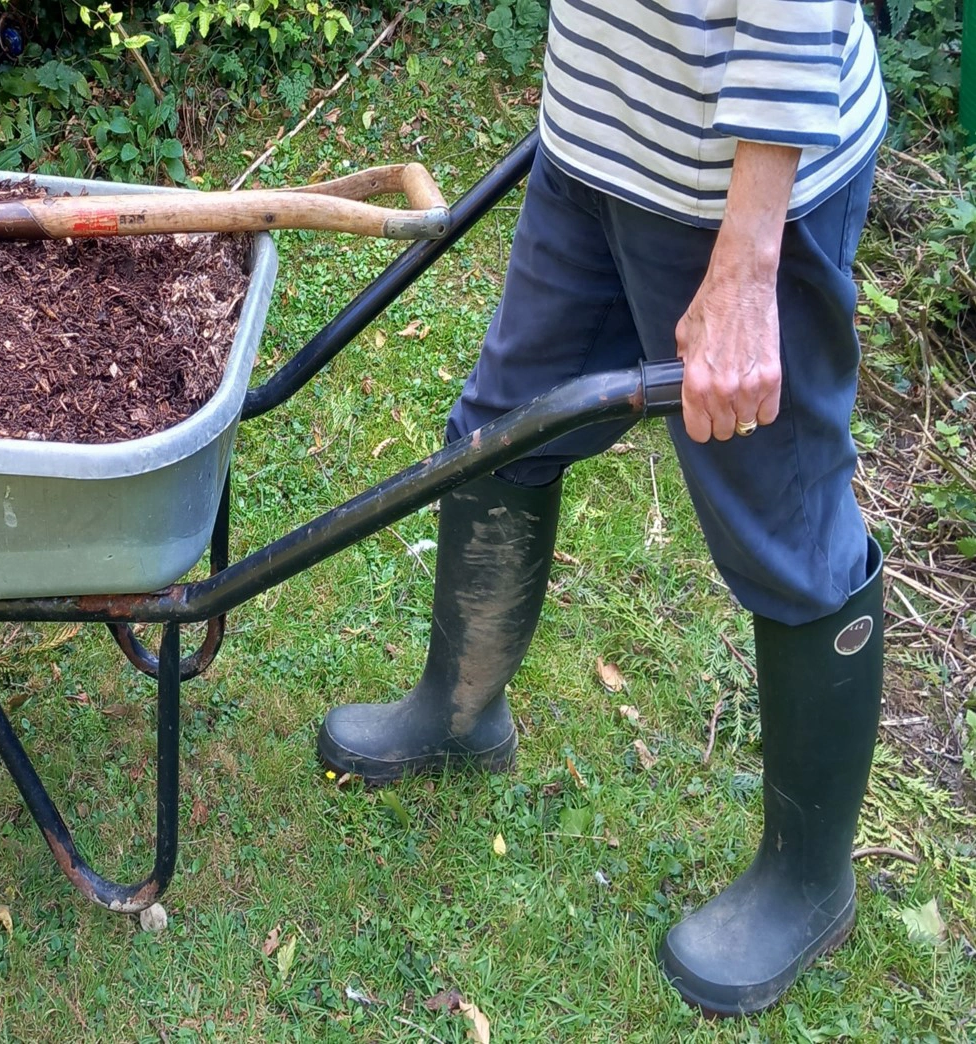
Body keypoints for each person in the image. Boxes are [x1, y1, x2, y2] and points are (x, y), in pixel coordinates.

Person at [317, 0, 888, 1017]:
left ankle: (811, 880)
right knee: (506, 431)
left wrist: (748, 265)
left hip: (744, 191)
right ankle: (458, 710)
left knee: (786, 526)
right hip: (597, 139)